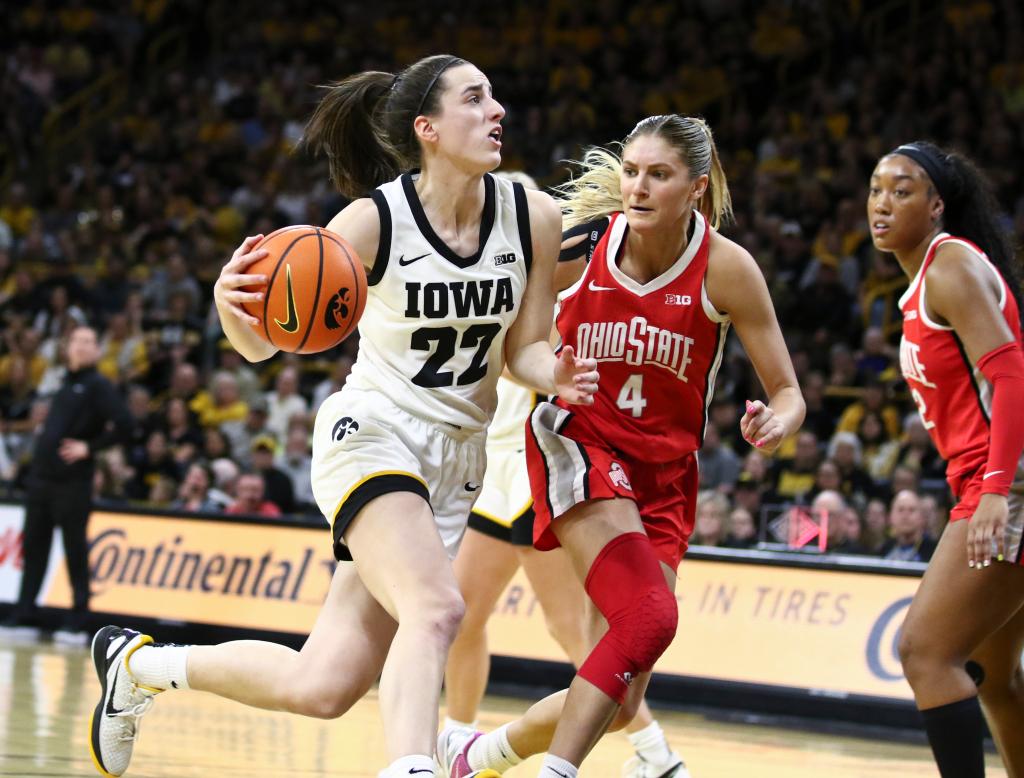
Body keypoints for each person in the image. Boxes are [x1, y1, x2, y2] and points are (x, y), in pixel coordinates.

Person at [86, 53, 597, 778]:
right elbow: (264, 346)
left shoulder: (534, 216)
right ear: (427, 128)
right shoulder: (373, 220)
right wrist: (233, 309)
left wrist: (558, 375)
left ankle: (139, 666)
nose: (497, 111)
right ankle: (413, 768)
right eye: (476, 99)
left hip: (456, 465)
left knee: (323, 685)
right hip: (374, 435)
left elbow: (526, 349)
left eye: (494, 98)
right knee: (439, 609)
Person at [438, 114, 804, 778]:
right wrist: (549, 372)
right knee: (649, 616)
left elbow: (789, 391)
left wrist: (778, 423)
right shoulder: (581, 245)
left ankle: (480, 755)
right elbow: (519, 349)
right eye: (631, 171)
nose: (637, 186)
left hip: (664, 475)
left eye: (657, 175)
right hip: (575, 445)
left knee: (622, 682)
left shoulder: (727, 270)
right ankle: (562, 771)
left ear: (695, 188)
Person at [443, 170, 689, 778]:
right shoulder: (500, 277)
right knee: (462, 614)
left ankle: (654, 753)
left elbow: (533, 363)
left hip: (543, 469)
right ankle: (457, 736)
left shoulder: (565, 284)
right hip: (493, 476)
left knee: (582, 640)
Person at [870, 141, 1024, 778]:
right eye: (876, 189)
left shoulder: (949, 265)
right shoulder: (923, 282)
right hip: (987, 480)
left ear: (937, 206)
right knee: (992, 678)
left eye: (901, 191)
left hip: (1006, 483)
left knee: (924, 652)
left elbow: (1013, 375)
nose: (882, 203)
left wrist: (994, 489)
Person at [2, 325, 131, 636]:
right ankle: (25, 611)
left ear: (97, 351)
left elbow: (126, 423)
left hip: (72, 483)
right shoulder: (64, 382)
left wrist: (90, 447)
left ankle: (78, 617)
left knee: (74, 548)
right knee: (34, 547)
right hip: (42, 480)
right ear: (68, 347)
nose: (83, 346)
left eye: (89, 341)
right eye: (78, 341)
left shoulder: (98, 384)